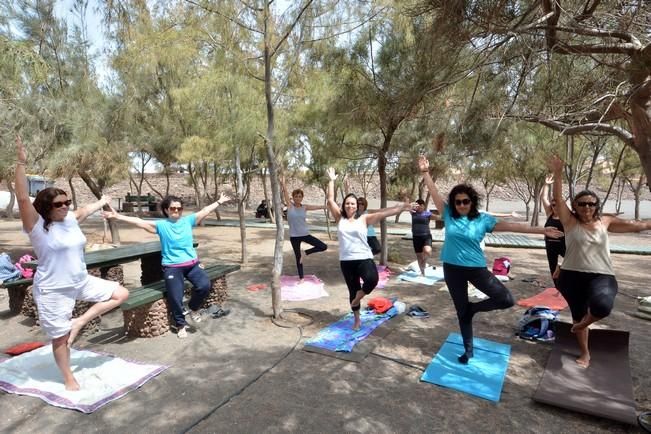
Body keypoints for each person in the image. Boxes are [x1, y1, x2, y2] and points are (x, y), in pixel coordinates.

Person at [418, 156, 563, 364]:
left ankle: (473, 308)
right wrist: (425, 172)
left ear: (472, 202)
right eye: (458, 202)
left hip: (476, 268)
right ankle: (468, 351)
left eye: (465, 201)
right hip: (452, 269)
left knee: (506, 299)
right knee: (461, 312)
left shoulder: (483, 219)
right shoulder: (448, 213)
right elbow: (434, 193)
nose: (461, 205)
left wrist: (542, 230)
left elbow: (514, 227)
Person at [14, 135, 129, 391]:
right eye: (59, 204)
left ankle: (80, 321)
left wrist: (102, 201)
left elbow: (84, 210)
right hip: (54, 288)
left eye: (67, 202)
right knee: (60, 338)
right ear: (46, 207)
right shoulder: (36, 226)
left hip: (80, 281)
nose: (66, 206)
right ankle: (68, 377)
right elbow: (23, 198)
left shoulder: (70, 219)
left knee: (120, 293)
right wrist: (20, 164)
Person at [549, 155, 651, 368]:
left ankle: (584, 323)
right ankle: (585, 353)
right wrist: (558, 174)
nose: (587, 207)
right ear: (575, 207)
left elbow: (637, 225)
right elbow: (558, 199)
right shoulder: (569, 222)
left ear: (597, 206)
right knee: (577, 312)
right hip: (570, 276)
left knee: (602, 306)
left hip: (601, 275)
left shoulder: (606, 221)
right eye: (582, 204)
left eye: (591, 204)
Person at [103, 192, 231, 338]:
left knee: (204, 285)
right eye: (172, 208)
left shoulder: (188, 221)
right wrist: (118, 216)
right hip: (172, 267)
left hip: (192, 265)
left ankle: (192, 308)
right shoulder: (161, 225)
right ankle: (180, 324)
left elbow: (204, 211)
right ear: (166, 210)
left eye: (179, 208)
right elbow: (138, 221)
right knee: (176, 296)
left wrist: (219, 201)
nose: (176, 211)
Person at [327, 168, 412, 329]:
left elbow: (384, 214)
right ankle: (357, 319)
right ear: (344, 205)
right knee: (353, 289)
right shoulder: (340, 218)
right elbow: (330, 200)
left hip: (364, 258)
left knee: (372, 280)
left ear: (357, 206)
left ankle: (358, 297)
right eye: (347, 203)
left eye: (353, 203)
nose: (350, 206)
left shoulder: (364, 218)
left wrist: (402, 207)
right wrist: (331, 180)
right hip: (347, 261)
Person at [281, 175, 328, 283]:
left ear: (302, 197)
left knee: (323, 246)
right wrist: (283, 183)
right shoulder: (290, 206)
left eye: (300, 196)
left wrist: (327, 206)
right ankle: (301, 278)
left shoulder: (304, 207)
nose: (298, 198)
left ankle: (306, 252)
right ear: (293, 197)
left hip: (305, 234)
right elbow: (285, 193)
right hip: (294, 236)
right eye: (296, 196)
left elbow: (317, 207)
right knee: (298, 258)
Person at [540, 175, 566, 286]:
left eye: (558, 205)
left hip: (564, 245)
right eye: (553, 205)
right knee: (552, 268)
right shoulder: (550, 214)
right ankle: (558, 287)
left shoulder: (567, 217)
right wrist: (546, 184)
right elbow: (543, 198)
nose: (555, 207)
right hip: (550, 245)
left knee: (573, 264)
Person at [410, 199, 438, 275]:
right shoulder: (413, 213)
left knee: (428, 251)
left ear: (424, 206)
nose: (420, 207)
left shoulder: (428, 214)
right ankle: (423, 273)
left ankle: (424, 261)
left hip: (426, 236)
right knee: (419, 256)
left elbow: (439, 217)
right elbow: (408, 206)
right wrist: (412, 205)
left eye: (421, 206)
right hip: (416, 237)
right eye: (418, 206)